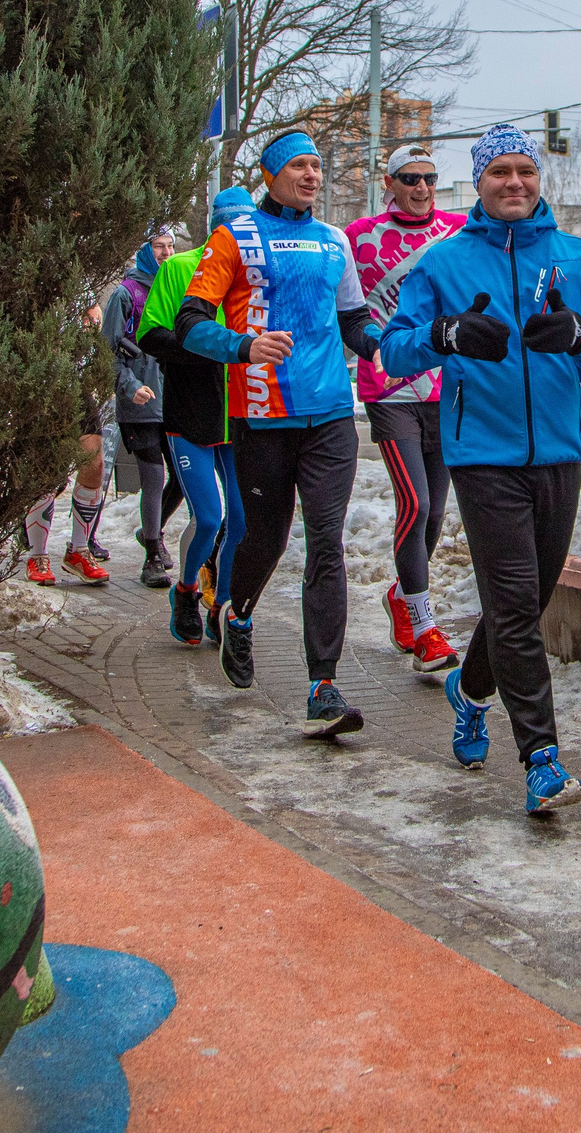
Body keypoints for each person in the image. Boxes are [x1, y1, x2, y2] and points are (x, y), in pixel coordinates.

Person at [377, 124, 581, 816]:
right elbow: (393, 352)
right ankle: (541, 759)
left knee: (526, 599)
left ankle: (471, 685)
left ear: (537, 178)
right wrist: (445, 334)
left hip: (557, 452)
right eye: (499, 173)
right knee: (517, 606)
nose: (514, 182)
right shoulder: (442, 262)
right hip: (481, 456)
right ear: (480, 183)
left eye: (524, 170)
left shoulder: (579, 258)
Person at [177, 135, 383, 739]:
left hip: (329, 417)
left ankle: (323, 683)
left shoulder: (334, 241)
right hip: (261, 418)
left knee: (326, 542)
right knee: (264, 540)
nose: (313, 175)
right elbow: (189, 322)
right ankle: (236, 614)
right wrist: (242, 347)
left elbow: (352, 320)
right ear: (270, 174)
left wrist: (393, 347)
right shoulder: (234, 236)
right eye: (300, 164)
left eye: (318, 165)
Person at [344, 143, 462, 672]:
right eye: (410, 179)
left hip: (447, 386)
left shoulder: (459, 230)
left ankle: (400, 595)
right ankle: (424, 626)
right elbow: (342, 306)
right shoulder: (358, 236)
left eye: (430, 179)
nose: (421, 188)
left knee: (435, 511)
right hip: (390, 387)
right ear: (389, 182)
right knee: (413, 504)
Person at [139, 193, 253, 646]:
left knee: (241, 523)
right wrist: (212, 349)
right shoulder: (180, 267)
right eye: (232, 229)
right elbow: (150, 334)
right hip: (190, 414)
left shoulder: (260, 274)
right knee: (209, 518)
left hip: (241, 414)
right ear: (216, 229)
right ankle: (186, 591)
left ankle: (220, 607)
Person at [104, 233, 176, 588]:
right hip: (140, 406)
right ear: (145, 251)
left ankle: (152, 531)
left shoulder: (175, 288)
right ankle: (152, 558)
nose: (166, 253)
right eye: (159, 246)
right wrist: (130, 387)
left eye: (171, 246)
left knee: (182, 477)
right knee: (153, 477)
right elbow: (109, 354)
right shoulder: (125, 294)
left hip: (173, 401)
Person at [22, 317, 113, 587]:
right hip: (37, 377)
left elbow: (93, 315)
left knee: (93, 464)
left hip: (75, 379)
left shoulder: (85, 280)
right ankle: (37, 555)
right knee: (45, 470)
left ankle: (78, 550)